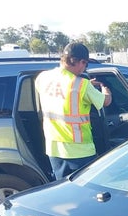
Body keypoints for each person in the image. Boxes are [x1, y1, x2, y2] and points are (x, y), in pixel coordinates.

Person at [35, 42, 112, 180]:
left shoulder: (43, 77)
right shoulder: (82, 84)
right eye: (86, 64)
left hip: (54, 149)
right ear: (81, 62)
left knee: (63, 189)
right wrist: (105, 90)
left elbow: (60, 93)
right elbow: (105, 102)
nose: (84, 68)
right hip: (80, 151)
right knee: (87, 191)